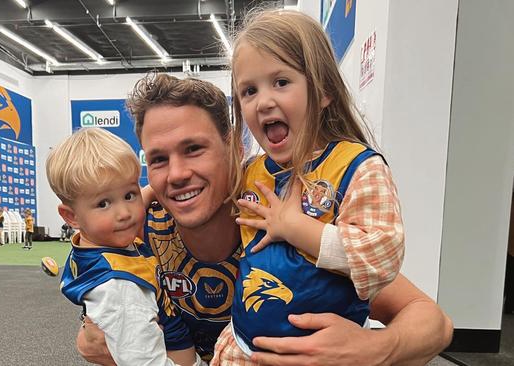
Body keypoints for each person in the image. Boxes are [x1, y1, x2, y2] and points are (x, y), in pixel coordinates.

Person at [77, 72, 452, 365]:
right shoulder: (136, 232)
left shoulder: (281, 217)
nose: (175, 174)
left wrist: (375, 349)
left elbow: (434, 322)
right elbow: (94, 327)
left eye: (194, 149)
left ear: (234, 147)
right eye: (158, 159)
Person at [211, 9, 406, 363]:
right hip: (244, 349)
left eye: (281, 82)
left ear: (325, 90)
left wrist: (300, 230)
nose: (264, 101)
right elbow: (205, 197)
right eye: (249, 91)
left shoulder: (356, 167)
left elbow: (383, 255)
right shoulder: (250, 173)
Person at [46, 127, 202, 366]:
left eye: (130, 195)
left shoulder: (100, 246)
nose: (124, 213)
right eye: (103, 203)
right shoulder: (119, 286)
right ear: (72, 217)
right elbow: (143, 361)